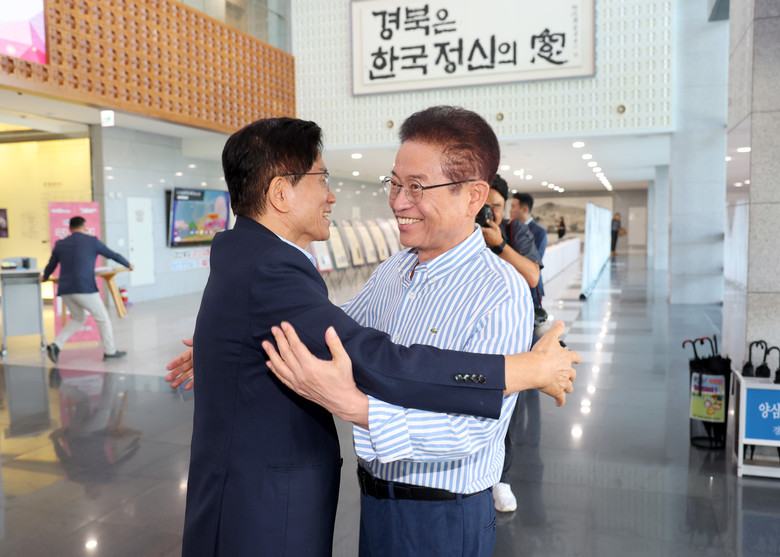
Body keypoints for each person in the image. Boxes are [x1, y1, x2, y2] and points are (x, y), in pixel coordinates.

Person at [172, 116, 578, 557]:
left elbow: (469, 431)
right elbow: (347, 338)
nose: (398, 201)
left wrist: (359, 408)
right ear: (280, 193)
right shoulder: (394, 270)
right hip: (374, 505)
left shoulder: (500, 291)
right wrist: (243, 339)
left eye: (416, 187)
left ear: (473, 196)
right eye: (395, 183)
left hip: (443, 518)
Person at [492, 190, 549, 512]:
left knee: (507, 407)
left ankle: (502, 478)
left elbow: (532, 275)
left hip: (511, 331)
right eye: (484, 206)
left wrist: (499, 244)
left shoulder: (515, 232)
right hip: (471, 331)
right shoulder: (462, 234)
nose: (489, 213)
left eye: (497, 207)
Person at [41, 216, 133, 363]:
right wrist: (128, 264)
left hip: (65, 290)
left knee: (78, 318)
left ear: (70, 228)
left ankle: (56, 345)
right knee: (103, 319)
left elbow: (51, 265)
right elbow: (112, 255)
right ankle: (110, 351)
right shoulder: (92, 241)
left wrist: (44, 277)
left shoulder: (60, 244)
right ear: (84, 227)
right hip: (84, 288)